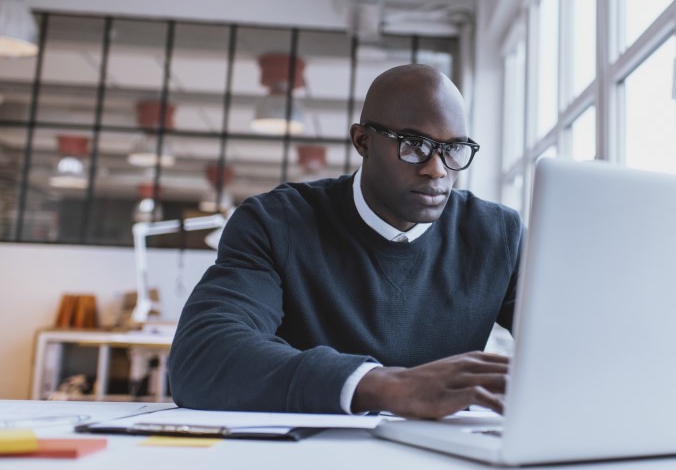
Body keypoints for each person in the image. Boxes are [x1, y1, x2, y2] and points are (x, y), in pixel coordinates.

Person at [167, 64, 523, 418]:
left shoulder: (498, 235)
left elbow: (571, 340)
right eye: (414, 145)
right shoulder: (277, 223)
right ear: (363, 141)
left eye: (455, 148)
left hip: (447, 453)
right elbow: (201, 355)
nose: (438, 169)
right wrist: (381, 386)